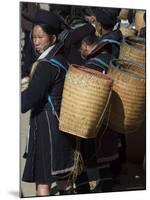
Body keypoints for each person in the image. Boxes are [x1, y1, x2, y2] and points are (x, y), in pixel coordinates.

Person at [63, 8, 124, 193]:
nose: (79, 52)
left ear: (84, 45)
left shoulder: (92, 66)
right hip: (111, 120)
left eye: (79, 48)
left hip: (99, 123)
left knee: (97, 156)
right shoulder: (109, 52)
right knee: (107, 158)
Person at [21, 9, 77, 196]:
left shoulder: (46, 65)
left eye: (40, 37)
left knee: (43, 181)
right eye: (33, 37)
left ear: (52, 38)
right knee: (63, 177)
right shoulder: (60, 59)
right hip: (60, 124)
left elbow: (30, 99)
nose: (36, 42)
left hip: (45, 128)